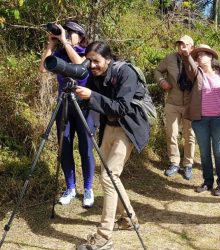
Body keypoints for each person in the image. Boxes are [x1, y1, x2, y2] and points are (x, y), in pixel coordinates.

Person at [75, 41, 150, 249]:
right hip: (109, 126)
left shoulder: (126, 73)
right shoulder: (95, 75)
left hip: (128, 128)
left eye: (96, 61)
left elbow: (122, 107)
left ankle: (104, 236)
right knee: (108, 176)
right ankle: (128, 218)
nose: (92, 66)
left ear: (108, 59)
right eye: (89, 61)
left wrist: (92, 96)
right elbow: (89, 100)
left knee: (110, 176)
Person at [39, 20, 96, 208]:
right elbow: (42, 68)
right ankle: (70, 188)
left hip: (84, 106)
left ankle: (88, 188)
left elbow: (79, 66)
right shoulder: (59, 53)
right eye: (66, 31)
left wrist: (65, 42)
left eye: (71, 32)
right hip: (63, 105)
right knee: (65, 147)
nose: (67, 34)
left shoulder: (86, 53)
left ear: (80, 36)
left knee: (86, 149)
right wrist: (51, 44)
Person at [182, 44, 220, 196]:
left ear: (211, 57)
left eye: (202, 54)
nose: (199, 57)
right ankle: (208, 181)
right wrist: (187, 55)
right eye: (197, 55)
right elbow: (190, 67)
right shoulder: (196, 73)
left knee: (219, 151)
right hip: (200, 120)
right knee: (205, 152)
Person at [154, 35, 196, 180]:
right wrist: (162, 82)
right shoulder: (170, 58)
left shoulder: (196, 59)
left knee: (189, 136)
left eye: (185, 45)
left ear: (192, 47)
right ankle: (174, 162)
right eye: (179, 44)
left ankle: (188, 164)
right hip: (172, 102)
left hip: (190, 104)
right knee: (171, 134)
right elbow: (157, 70)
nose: (181, 47)